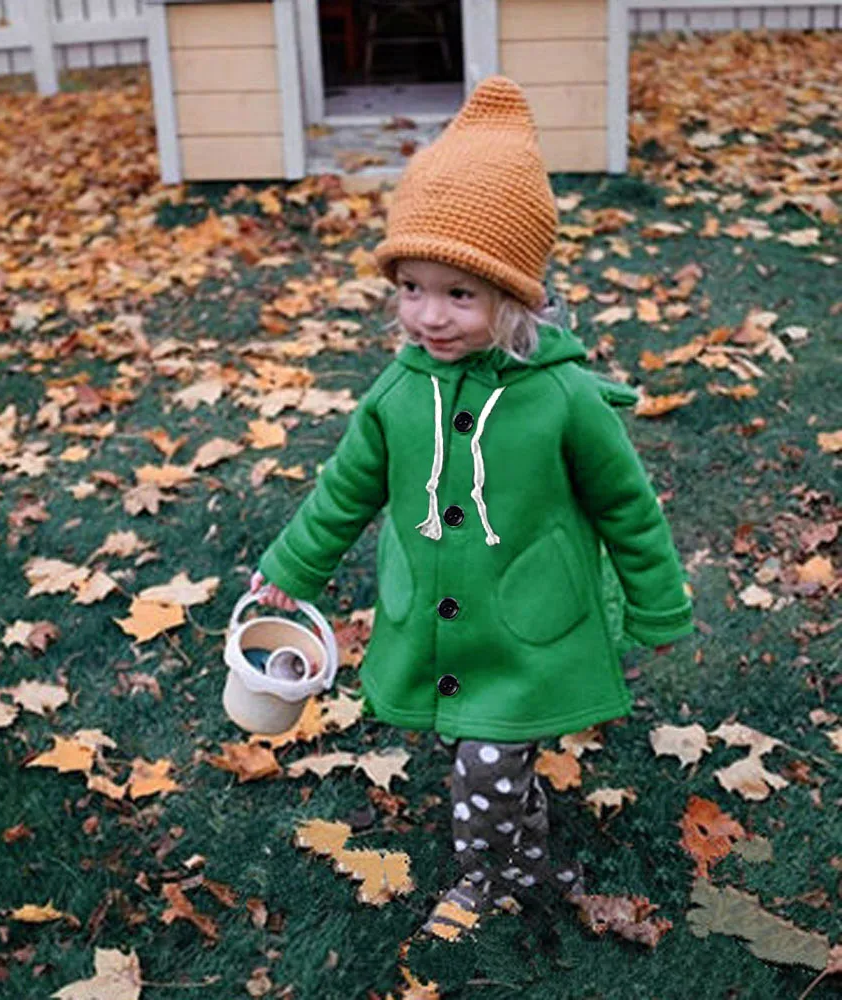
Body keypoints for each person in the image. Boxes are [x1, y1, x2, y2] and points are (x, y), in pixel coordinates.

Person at [248, 76, 693, 938]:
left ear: (516, 298)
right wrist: (288, 570)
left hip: (528, 626)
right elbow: (346, 490)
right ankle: (533, 860)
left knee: (486, 759)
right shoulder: (396, 392)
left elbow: (627, 505)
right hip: (439, 622)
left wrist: (657, 601)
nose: (430, 316)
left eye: (461, 294)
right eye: (412, 287)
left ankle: (478, 880)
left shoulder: (562, 398)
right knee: (482, 754)